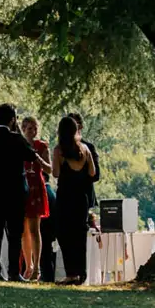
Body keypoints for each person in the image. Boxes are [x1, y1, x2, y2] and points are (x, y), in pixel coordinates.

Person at [0, 105, 44, 280]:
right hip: (15, 191)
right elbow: (31, 156)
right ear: (13, 119)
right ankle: (14, 271)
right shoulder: (16, 139)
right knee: (15, 233)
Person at [48, 115, 99, 284]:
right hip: (81, 197)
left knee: (64, 234)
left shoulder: (59, 150)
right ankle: (81, 273)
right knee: (79, 235)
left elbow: (55, 173)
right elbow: (92, 173)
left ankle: (71, 273)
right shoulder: (85, 149)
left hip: (65, 197)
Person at [19, 116, 52, 281]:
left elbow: (50, 169)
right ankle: (28, 265)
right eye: (29, 128)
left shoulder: (41, 146)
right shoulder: (19, 144)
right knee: (23, 231)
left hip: (36, 186)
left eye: (35, 128)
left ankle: (37, 266)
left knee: (34, 228)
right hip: (23, 186)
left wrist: (39, 159)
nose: (32, 131)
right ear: (23, 129)